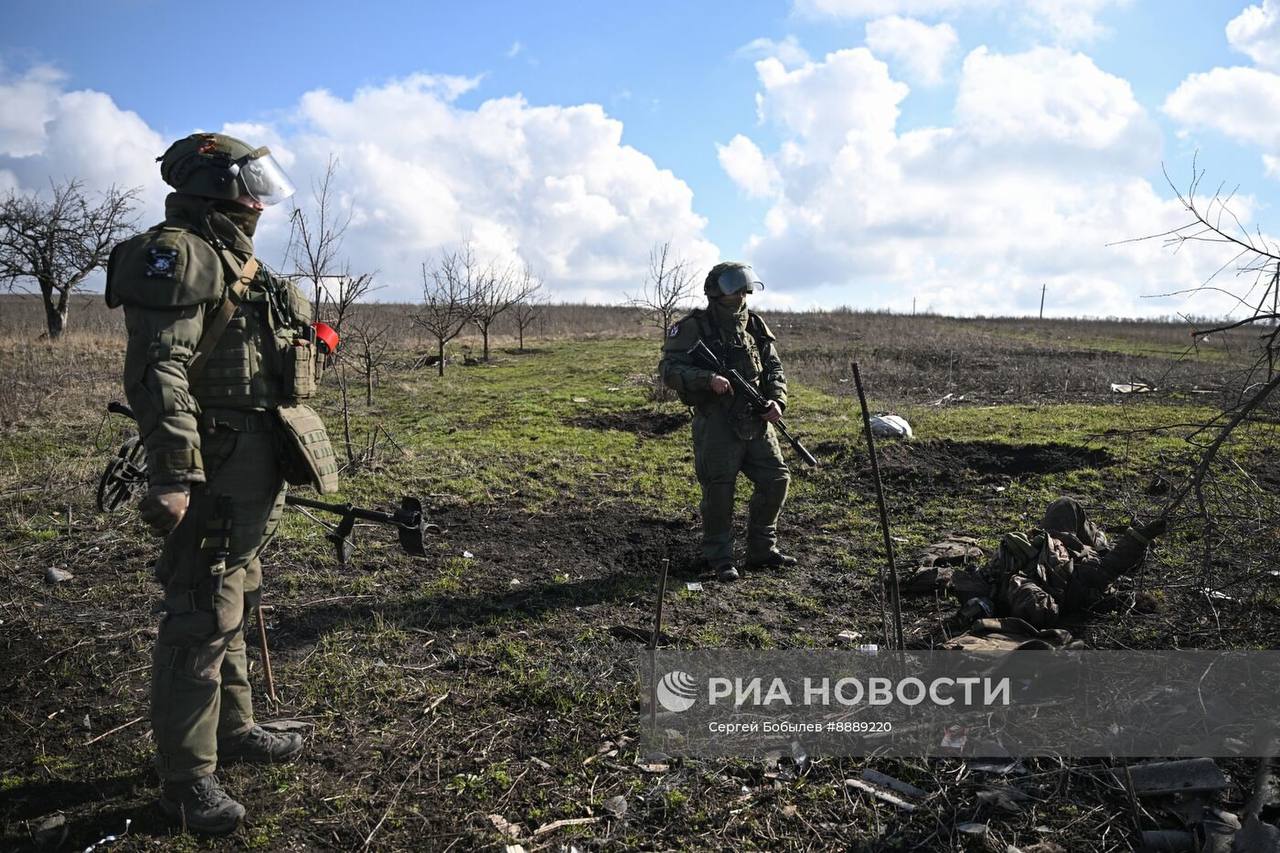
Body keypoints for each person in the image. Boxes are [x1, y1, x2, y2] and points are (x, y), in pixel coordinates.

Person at [105, 133, 338, 835]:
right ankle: (185, 777)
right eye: (249, 180)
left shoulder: (240, 260)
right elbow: (159, 371)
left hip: (254, 464)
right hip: (212, 463)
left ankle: (232, 729)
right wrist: (175, 470)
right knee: (200, 612)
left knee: (234, 593)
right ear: (215, 185)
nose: (260, 195)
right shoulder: (179, 254)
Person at [659, 262, 794, 582]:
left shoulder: (756, 325)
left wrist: (777, 400)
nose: (741, 297)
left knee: (776, 479)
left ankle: (762, 550)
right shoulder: (693, 327)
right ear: (715, 292)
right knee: (719, 490)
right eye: (734, 290)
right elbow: (669, 370)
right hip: (716, 421)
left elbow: (774, 370)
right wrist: (708, 379)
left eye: (744, 290)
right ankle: (720, 557)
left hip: (756, 419)